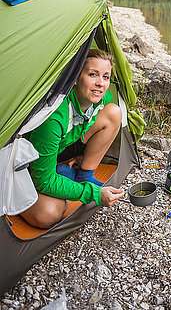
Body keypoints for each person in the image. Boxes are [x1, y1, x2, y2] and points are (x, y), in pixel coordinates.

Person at [22, 49, 125, 229]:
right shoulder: (53, 117)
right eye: (93, 74)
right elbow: (43, 181)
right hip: (25, 168)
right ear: (76, 77)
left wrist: (82, 155)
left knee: (114, 112)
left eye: (106, 77)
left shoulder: (100, 98)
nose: (100, 83)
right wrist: (95, 194)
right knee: (50, 213)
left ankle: (84, 175)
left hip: (61, 148)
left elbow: (107, 110)